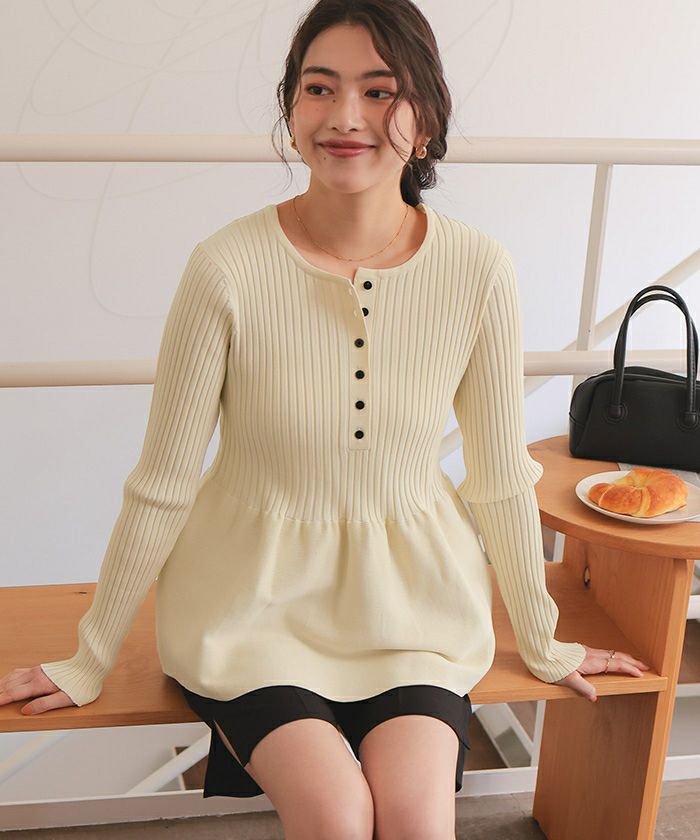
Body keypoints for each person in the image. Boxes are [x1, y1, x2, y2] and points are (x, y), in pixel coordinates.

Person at [1, 1, 649, 836]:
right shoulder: (226, 267)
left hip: (415, 609)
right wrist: (91, 656)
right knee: (337, 816)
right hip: (248, 609)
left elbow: (497, 480)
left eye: (380, 91)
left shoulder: (478, 269)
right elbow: (162, 483)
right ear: (291, 109)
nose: (345, 117)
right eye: (319, 88)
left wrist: (544, 639)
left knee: (416, 818)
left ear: (427, 119)